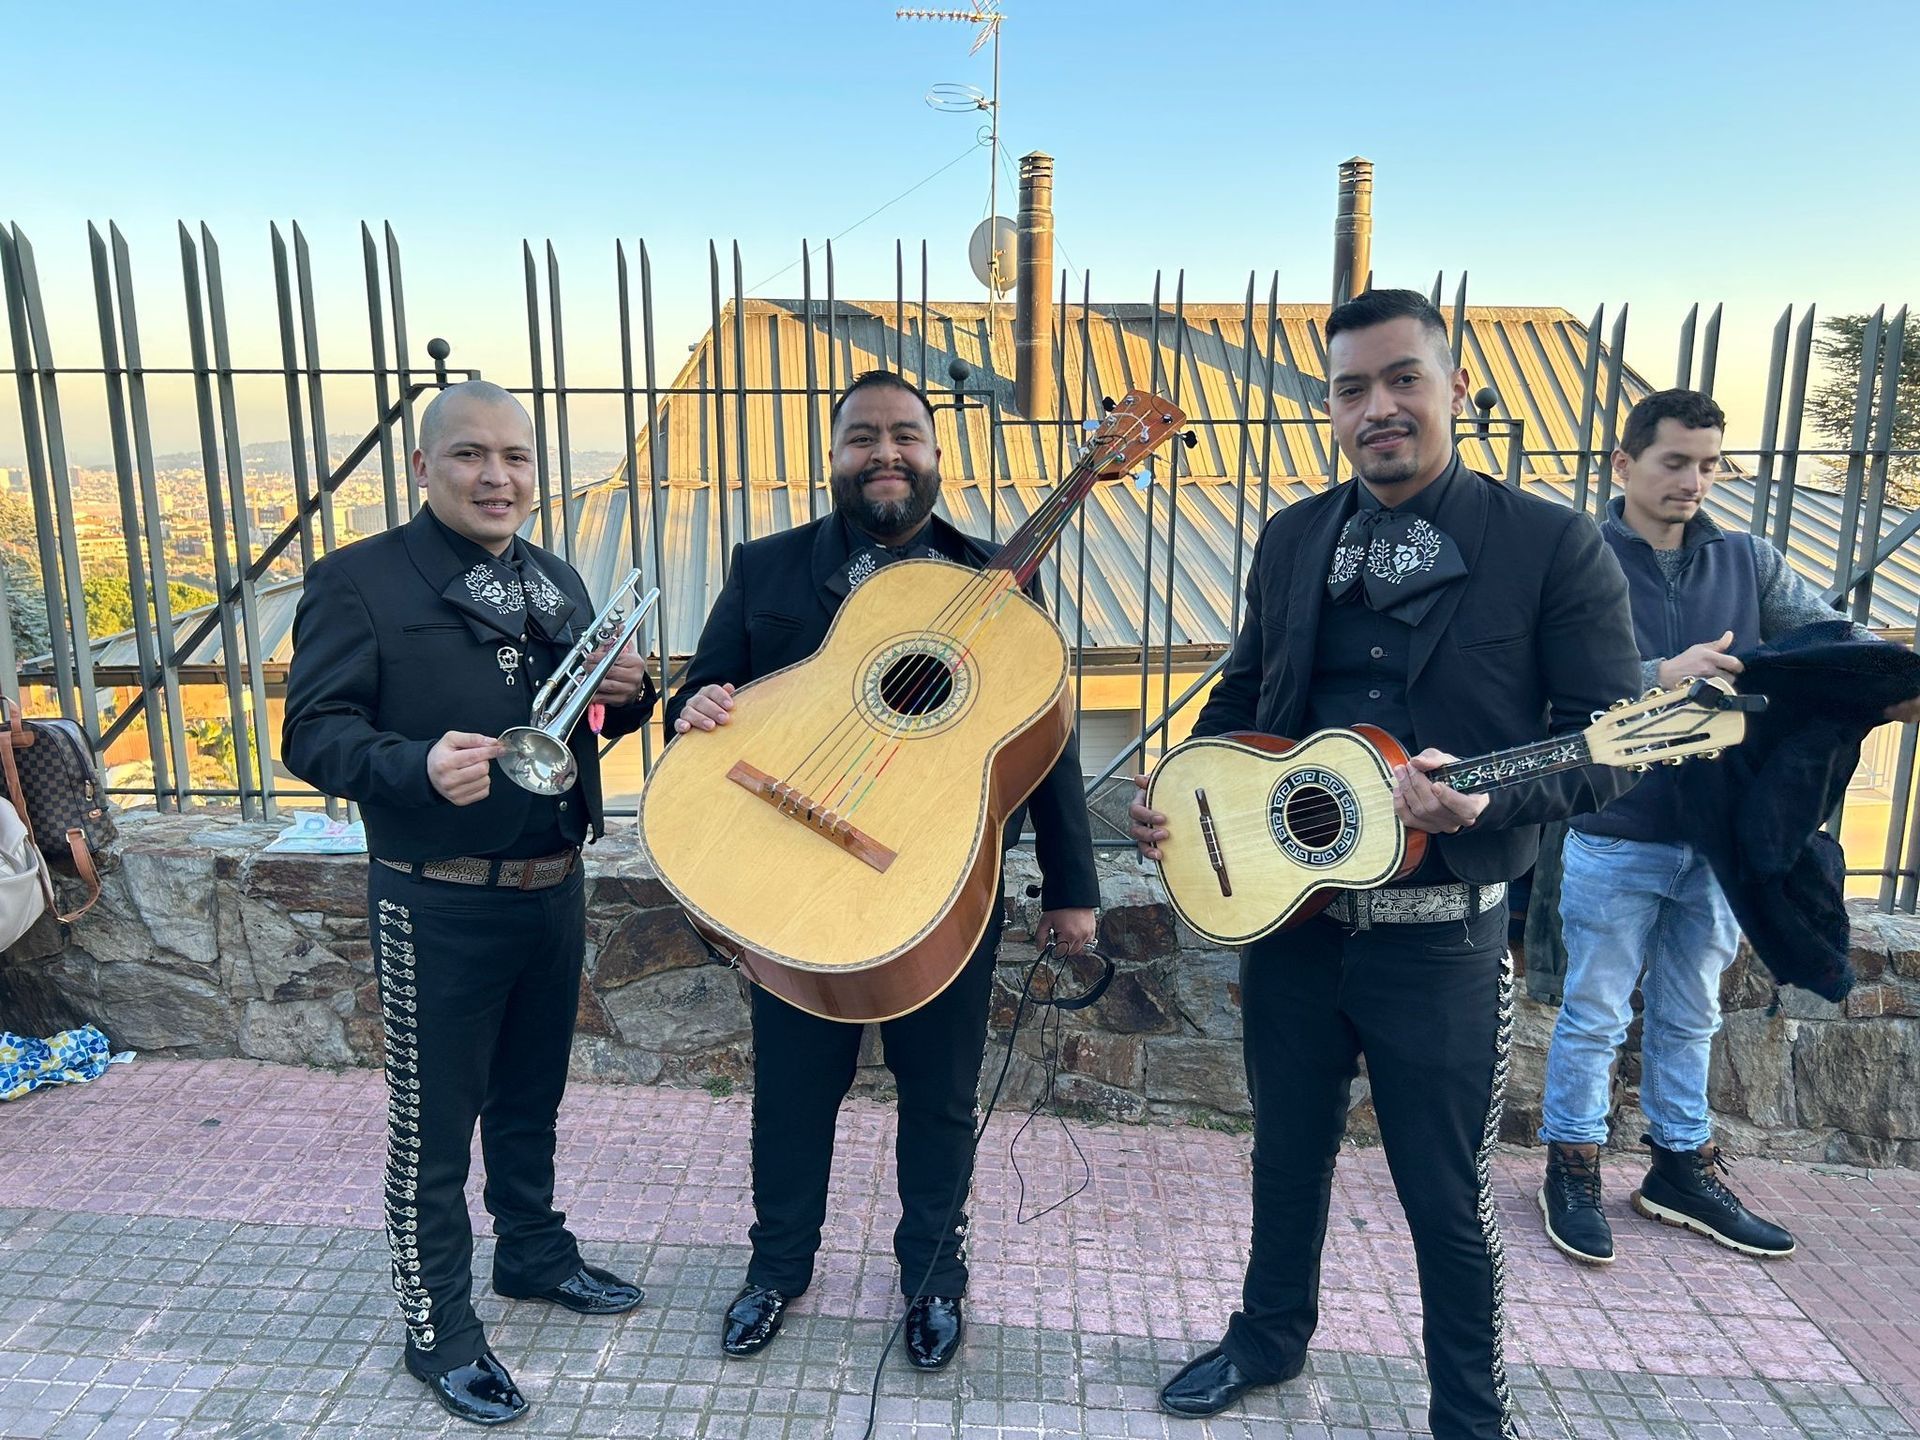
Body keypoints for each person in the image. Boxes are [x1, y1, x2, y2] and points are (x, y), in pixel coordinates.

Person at [1129, 290, 1641, 1440]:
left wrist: (1490, 790)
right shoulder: (1294, 536)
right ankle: (1267, 1340)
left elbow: (1613, 742)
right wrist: (1185, 785)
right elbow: (1249, 691)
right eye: (1352, 389)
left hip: (1446, 937)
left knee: (1444, 1197)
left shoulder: (1552, 543)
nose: (1379, 408)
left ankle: (1469, 1412)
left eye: (1404, 378)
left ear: (1458, 389)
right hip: (1294, 917)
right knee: (1285, 1155)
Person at [665, 369, 1099, 1371]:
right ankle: (777, 1271)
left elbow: (1049, 734)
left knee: (941, 1095)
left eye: (906, 434)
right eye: (863, 436)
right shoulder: (766, 567)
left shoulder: (999, 579)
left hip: (938, 878)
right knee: (791, 1091)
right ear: (833, 454)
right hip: (789, 866)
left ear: (938, 453)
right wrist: (693, 707)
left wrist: (1073, 887)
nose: (886, 453)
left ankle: (933, 1281)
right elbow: (704, 689)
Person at [283, 380, 656, 1426]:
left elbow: (572, 734)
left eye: (518, 458)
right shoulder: (358, 580)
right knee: (432, 1127)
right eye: (470, 456)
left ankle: (532, 1254)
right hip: (434, 899)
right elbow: (311, 733)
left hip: (551, 883)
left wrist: (634, 698)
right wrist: (405, 765)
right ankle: (437, 1326)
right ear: (423, 469)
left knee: (531, 1098)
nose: (498, 477)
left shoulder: (556, 578)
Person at [1536, 388, 1920, 1266]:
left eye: (1710, 464)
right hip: (1618, 824)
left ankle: (1679, 1168)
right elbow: (1542, 684)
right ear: (1625, 465)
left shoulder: (1750, 559)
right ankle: (1572, 1166)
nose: (1695, 481)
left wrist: (1889, 685)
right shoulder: (1580, 558)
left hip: (1720, 839)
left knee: (1690, 1013)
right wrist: (1656, 672)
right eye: (1676, 462)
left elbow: (1835, 643)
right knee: (1594, 1012)